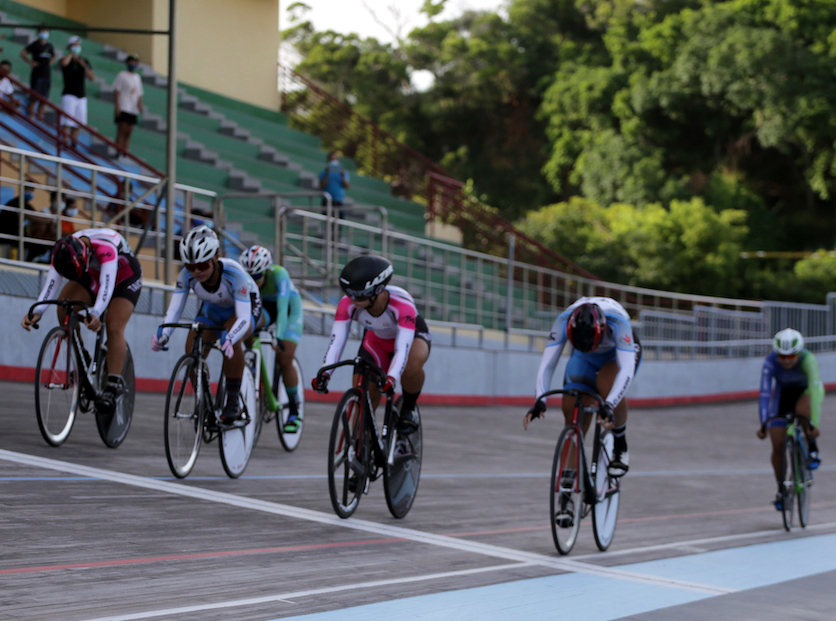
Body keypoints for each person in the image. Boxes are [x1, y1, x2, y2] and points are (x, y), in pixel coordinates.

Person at [21, 229, 143, 416]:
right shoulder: (64, 250)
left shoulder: (105, 247)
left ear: (87, 254)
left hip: (124, 276)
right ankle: (82, 357)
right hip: (91, 273)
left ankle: (112, 386)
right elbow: (51, 285)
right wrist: (37, 311)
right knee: (63, 307)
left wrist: (96, 312)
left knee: (113, 326)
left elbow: (107, 285)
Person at [151, 225, 262, 425]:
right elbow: (174, 310)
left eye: (202, 265)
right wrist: (164, 333)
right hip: (213, 309)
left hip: (244, 307)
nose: (196, 271)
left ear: (215, 258)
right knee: (192, 349)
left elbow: (244, 316)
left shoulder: (234, 274)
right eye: (190, 266)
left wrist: (230, 337)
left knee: (230, 338)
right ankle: (206, 402)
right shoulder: (186, 276)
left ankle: (233, 401)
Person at [523, 297, 641, 480]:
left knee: (605, 383)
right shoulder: (563, 321)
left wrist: (609, 404)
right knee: (572, 412)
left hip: (616, 354)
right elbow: (547, 364)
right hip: (583, 355)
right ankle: (566, 491)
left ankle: (620, 441)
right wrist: (540, 400)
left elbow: (626, 370)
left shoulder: (618, 323)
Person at [312, 255, 431, 433]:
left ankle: (408, 408)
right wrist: (326, 372)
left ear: (379, 289)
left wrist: (391, 378)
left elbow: (402, 349)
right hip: (376, 341)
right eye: (349, 295)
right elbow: (337, 342)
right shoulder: (348, 304)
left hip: (411, 337)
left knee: (411, 366)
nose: (354, 301)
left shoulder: (403, 305)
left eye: (360, 296)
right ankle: (360, 449)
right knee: (364, 397)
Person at [239, 245, 305, 432]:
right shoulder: (248, 278)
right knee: (248, 326)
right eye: (249, 277)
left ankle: (294, 410)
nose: (253, 281)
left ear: (266, 271)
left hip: (289, 310)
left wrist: (279, 336)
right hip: (265, 308)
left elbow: (283, 308)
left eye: (257, 276)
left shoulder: (279, 275)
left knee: (284, 359)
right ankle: (252, 366)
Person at [757, 328, 824, 511]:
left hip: (806, 393)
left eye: (791, 356)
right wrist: (763, 423)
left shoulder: (808, 359)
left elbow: (815, 388)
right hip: (783, 396)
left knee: (802, 409)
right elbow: (764, 394)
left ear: (799, 352)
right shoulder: (770, 362)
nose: (787, 360)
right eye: (782, 356)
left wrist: (814, 424)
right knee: (777, 444)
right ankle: (781, 490)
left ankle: (812, 448)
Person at [59, 36, 94, 147]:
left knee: (78, 122)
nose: (77, 47)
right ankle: (65, 140)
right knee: (67, 121)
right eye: (75, 45)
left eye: (78, 45)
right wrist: (71, 54)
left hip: (81, 95)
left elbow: (92, 77)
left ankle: (74, 142)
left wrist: (83, 65)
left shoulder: (84, 61)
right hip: (69, 93)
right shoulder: (66, 59)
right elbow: (63, 63)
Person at [20, 25, 58, 121]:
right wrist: (30, 62)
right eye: (43, 31)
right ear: (39, 32)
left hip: (47, 75)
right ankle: (31, 116)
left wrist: (50, 62)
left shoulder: (49, 46)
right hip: (37, 74)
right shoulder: (35, 44)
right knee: (34, 97)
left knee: (44, 99)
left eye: (46, 31)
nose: (44, 33)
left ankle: (40, 117)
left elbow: (54, 55)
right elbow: (23, 53)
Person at [112, 53, 144, 157]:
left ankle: (125, 151)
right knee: (122, 130)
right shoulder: (122, 75)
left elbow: (139, 93)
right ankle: (118, 150)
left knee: (129, 132)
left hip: (133, 109)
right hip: (124, 107)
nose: (132, 64)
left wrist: (139, 104)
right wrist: (117, 106)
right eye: (130, 62)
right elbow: (117, 91)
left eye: (134, 62)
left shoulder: (137, 77)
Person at [319, 151, 350, 219]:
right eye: (332, 159)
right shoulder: (324, 173)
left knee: (339, 221)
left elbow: (347, 186)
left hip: (338, 200)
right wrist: (327, 173)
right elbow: (322, 185)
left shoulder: (344, 173)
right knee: (327, 222)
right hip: (327, 201)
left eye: (335, 159)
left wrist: (343, 176)